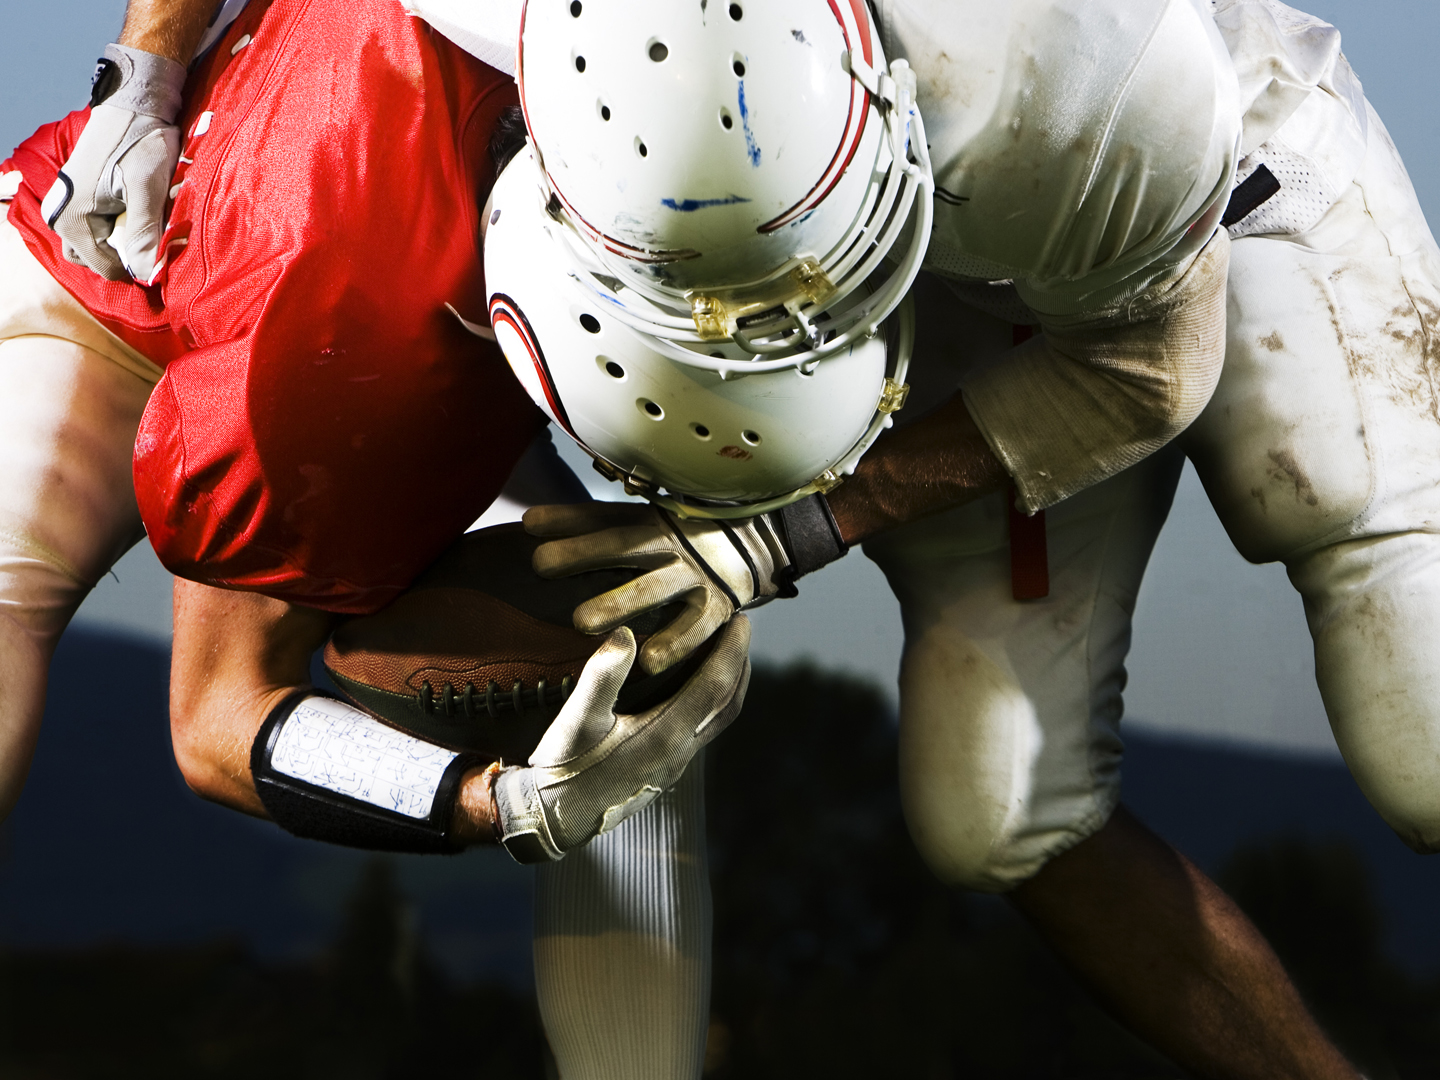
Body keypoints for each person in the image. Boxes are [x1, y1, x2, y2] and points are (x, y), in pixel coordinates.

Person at [473, 0, 1436, 1075]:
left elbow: (1150, 362)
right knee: (997, 813)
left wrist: (788, 534)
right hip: (948, 286)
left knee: (1425, 740)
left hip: (1218, 189)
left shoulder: (1077, 67)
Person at [0, 0, 748, 1073]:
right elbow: (216, 723)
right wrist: (495, 807)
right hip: (152, 275)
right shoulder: (360, 330)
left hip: (342, 283)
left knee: (628, 644)